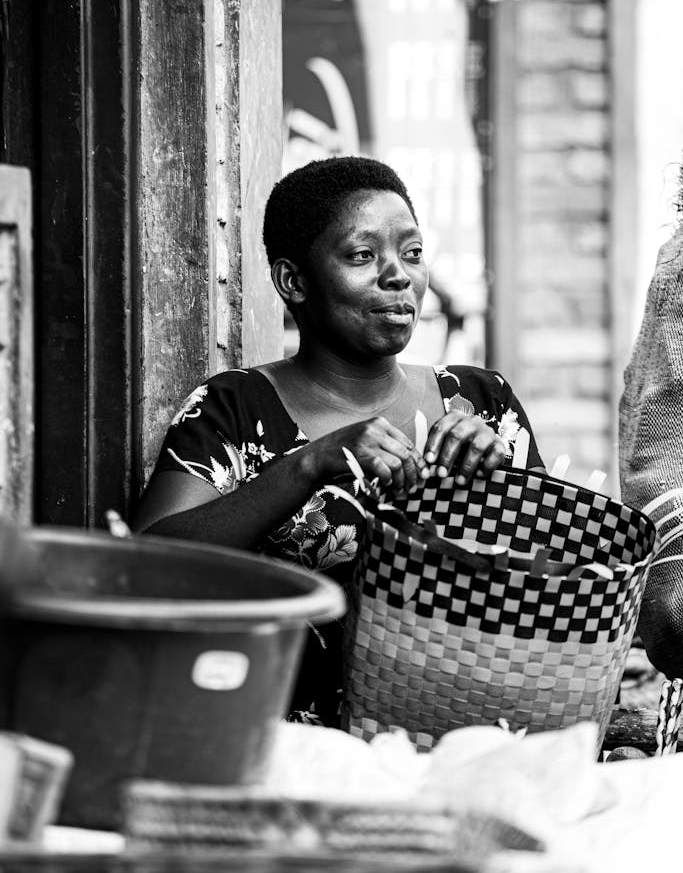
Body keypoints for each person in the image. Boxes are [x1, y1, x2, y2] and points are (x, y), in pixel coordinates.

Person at [134, 156, 543, 723]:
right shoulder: (236, 409)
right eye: (361, 255)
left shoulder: (482, 404)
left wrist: (502, 483)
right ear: (293, 281)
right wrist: (307, 465)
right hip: (289, 746)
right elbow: (147, 564)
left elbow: (558, 584)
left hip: (466, 735)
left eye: (413, 252)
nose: (398, 275)